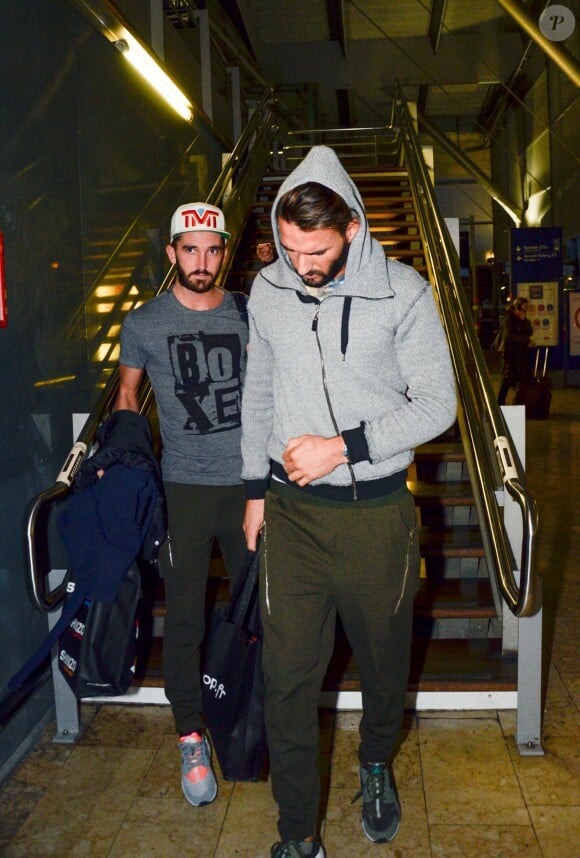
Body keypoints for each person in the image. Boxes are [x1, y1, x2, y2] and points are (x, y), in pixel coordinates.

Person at [241, 145, 456, 858]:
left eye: (318, 250)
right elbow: (259, 395)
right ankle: (297, 833)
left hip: (377, 517)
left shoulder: (406, 293)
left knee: (384, 665)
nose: (302, 263)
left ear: (355, 230)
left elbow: (439, 406)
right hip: (292, 515)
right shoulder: (268, 290)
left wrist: (344, 446)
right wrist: (252, 488)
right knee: (287, 680)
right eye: (290, 247)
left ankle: (373, 763)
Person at [116, 202, 249, 808]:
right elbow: (126, 396)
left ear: (224, 253)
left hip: (249, 488)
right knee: (188, 619)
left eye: (212, 249)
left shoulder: (248, 314)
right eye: (189, 249)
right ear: (171, 254)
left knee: (261, 614)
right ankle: (190, 734)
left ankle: (254, 713)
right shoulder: (145, 323)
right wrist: (124, 473)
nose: (202, 261)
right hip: (184, 491)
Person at [497, 296, 534, 405]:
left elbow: (529, 332)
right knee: (507, 381)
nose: (524, 311)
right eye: (522, 309)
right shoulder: (509, 319)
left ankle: (522, 402)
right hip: (510, 355)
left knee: (523, 380)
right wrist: (525, 341)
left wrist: (524, 321)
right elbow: (509, 336)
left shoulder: (523, 320)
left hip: (521, 356)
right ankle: (500, 403)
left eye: (526, 309)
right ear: (516, 308)